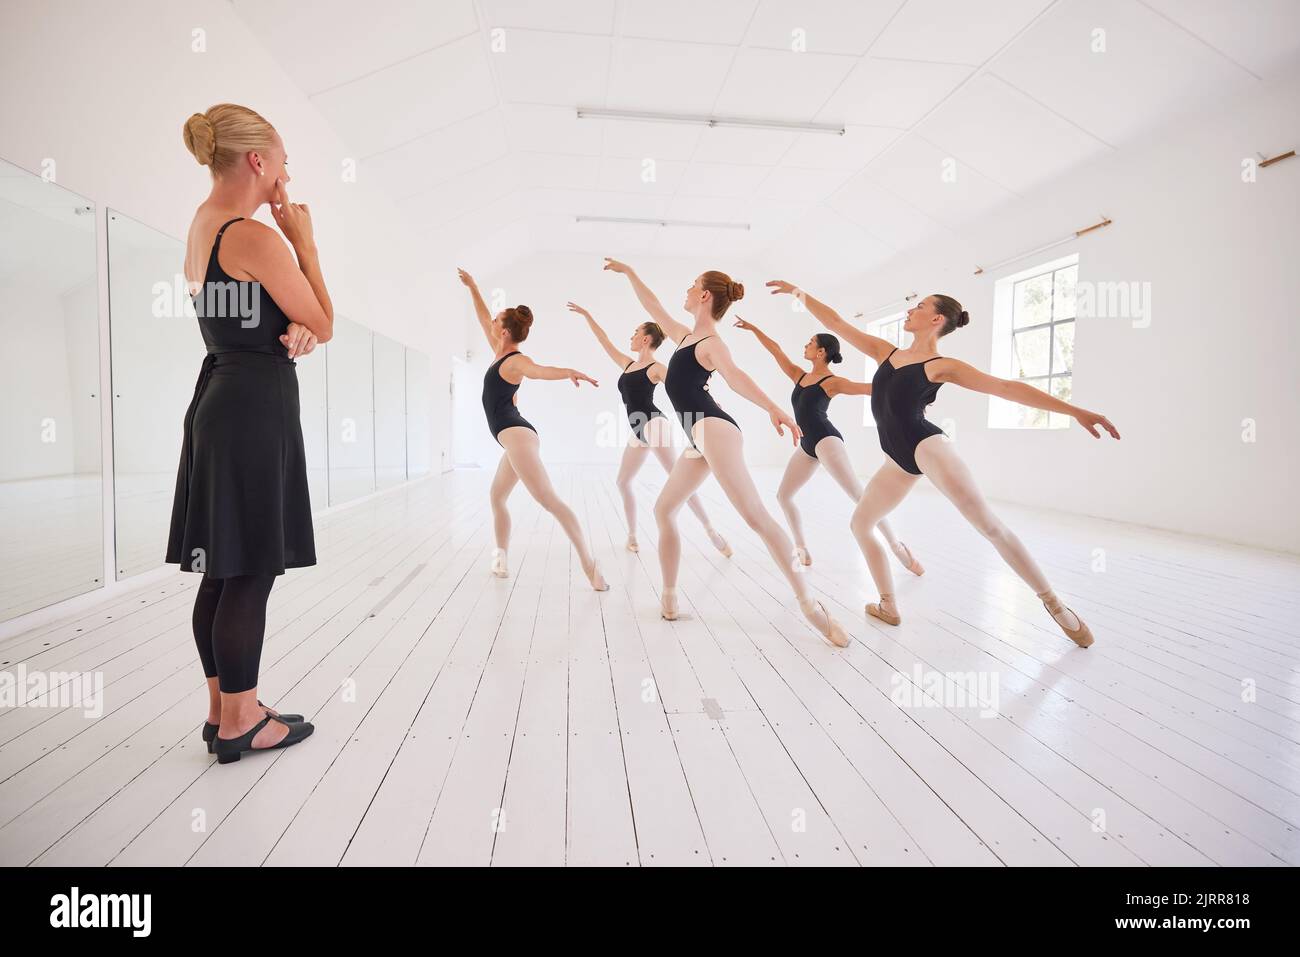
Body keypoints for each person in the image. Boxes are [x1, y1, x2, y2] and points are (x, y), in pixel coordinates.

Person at [768, 280, 1118, 647]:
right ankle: (888, 605)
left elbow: (1006, 388)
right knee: (861, 523)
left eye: (918, 306)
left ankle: (1055, 604)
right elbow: (837, 323)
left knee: (989, 526)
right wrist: (800, 294)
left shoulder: (941, 365)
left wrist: (1074, 410)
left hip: (927, 446)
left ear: (936, 318)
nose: (910, 310)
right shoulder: (885, 352)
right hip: (897, 459)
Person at [169, 103, 327, 763]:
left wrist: (294, 330)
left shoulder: (203, 227)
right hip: (254, 407)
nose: (288, 174)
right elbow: (324, 315)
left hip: (218, 396)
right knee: (253, 566)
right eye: (283, 160)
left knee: (220, 563)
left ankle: (223, 706)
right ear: (259, 161)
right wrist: (305, 243)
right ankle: (242, 723)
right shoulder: (256, 237)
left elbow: (265, 321)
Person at [605, 259, 850, 647]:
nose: (685, 291)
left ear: (704, 295)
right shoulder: (684, 336)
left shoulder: (711, 343)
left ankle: (811, 605)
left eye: (692, 286)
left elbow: (737, 378)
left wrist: (773, 408)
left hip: (714, 429)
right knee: (664, 510)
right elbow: (652, 305)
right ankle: (669, 598)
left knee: (756, 517)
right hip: (697, 438)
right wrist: (631, 272)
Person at [732, 318, 924, 575]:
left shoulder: (832, 382)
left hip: (827, 440)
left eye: (811, 343)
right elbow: (776, 350)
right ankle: (801, 548)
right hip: (807, 444)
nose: (806, 345)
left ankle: (898, 548)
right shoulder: (799, 376)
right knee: (784, 496)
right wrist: (755, 328)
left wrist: (913, 395)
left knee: (860, 497)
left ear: (821, 352)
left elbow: (872, 389)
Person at [459, 269, 609, 591]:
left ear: (503, 331)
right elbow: (484, 315)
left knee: (549, 501)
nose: (492, 322)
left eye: (497, 321)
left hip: (518, 435)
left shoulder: (515, 360)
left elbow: (538, 371)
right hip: (512, 439)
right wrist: (473, 286)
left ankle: (590, 565)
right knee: (497, 497)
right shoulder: (499, 352)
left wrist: (568, 371)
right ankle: (500, 557)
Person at [567, 301, 732, 556]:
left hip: (655, 425)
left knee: (678, 482)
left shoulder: (656, 368)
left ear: (645, 339)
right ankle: (632, 536)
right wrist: (588, 314)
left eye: (635, 332)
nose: (631, 337)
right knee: (623, 481)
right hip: (639, 430)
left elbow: (684, 386)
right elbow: (604, 341)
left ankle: (711, 530)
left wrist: (709, 400)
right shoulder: (628, 364)